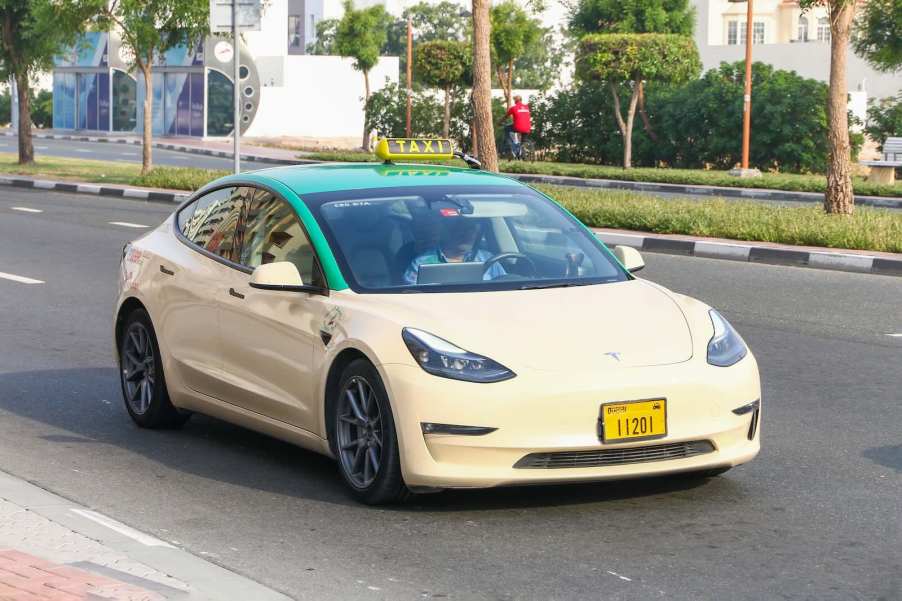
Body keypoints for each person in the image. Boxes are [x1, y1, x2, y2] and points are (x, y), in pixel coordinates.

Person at [403, 216, 505, 285]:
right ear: (446, 232)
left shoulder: (487, 258)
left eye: (471, 229)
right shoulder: (422, 262)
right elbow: (410, 294)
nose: (467, 234)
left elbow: (504, 284)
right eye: (461, 229)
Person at [503, 95, 532, 159]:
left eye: (514, 100)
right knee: (523, 141)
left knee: (506, 129)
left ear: (515, 101)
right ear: (521, 100)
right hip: (528, 128)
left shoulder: (513, 108)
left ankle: (510, 145)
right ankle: (522, 151)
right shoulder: (527, 107)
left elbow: (505, 117)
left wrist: (499, 122)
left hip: (517, 127)